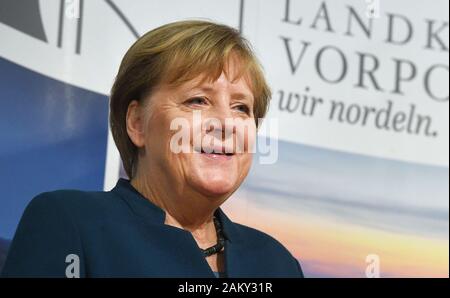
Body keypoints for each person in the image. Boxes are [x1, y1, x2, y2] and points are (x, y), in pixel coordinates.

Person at [1, 20, 303, 278]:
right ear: (137, 123)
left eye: (241, 107)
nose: (226, 123)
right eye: (197, 100)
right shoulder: (72, 223)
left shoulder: (277, 264)